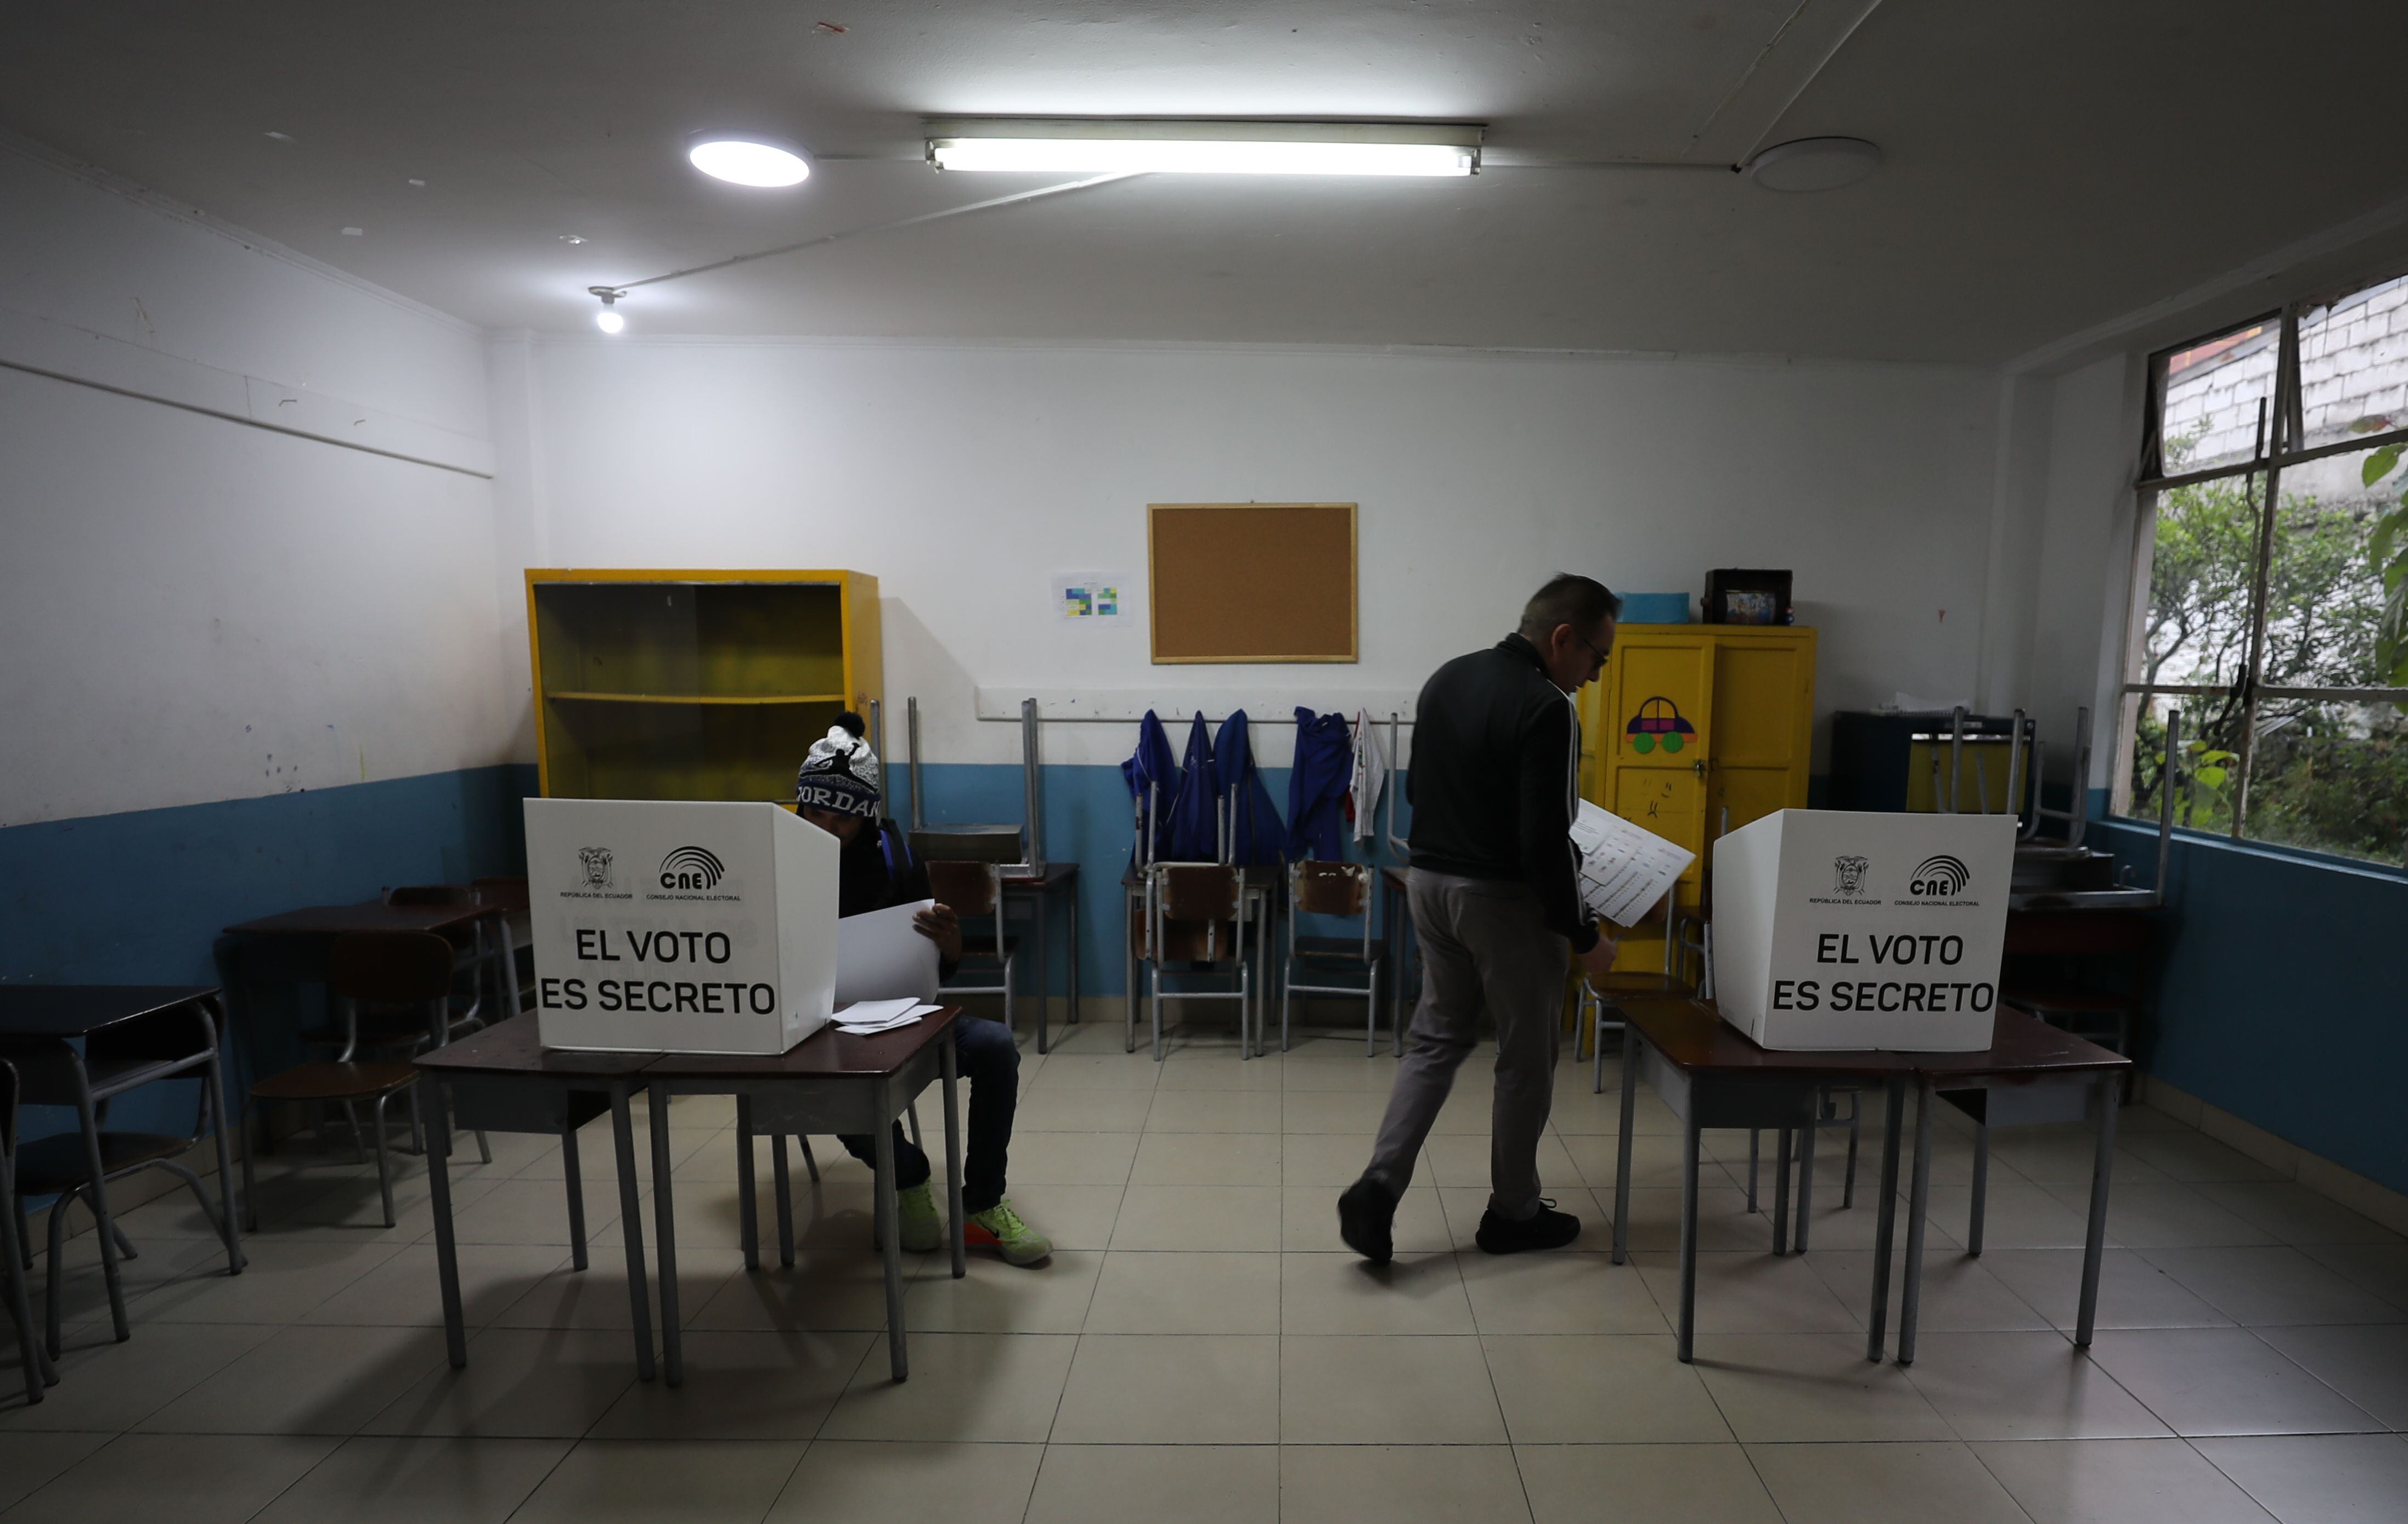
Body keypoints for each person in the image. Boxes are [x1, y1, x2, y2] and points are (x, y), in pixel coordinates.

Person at [1338, 574, 1623, 1262]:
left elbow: (1418, 789)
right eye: (1597, 656)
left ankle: (1380, 1182)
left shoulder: (1446, 678)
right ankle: (1513, 1213)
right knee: (1526, 1058)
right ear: (1562, 638)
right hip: (1501, 903)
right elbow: (1542, 843)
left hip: (1429, 884)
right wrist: (1586, 936)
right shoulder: (1546, 707)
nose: (1595, 673)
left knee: (1436, 1037)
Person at [794, 713, 1052, 1266]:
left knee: (995, 1045)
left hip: (902, 1012)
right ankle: (909, 1175)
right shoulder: (780, 859)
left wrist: (951, 941)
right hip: (816, 1024)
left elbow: (940, 969)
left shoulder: (896, 856)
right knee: (832, 1083)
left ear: (864, 817)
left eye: (843, 819)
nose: (827, 829)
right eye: (815, 814)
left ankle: (982, 1201)